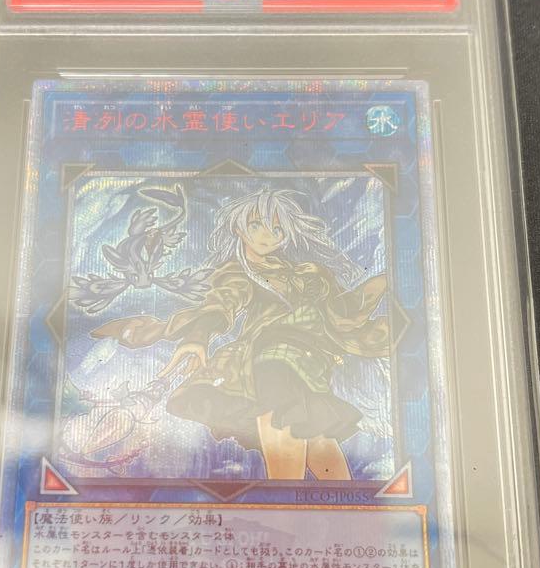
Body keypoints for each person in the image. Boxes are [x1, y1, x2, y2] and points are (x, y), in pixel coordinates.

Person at [91, 188, 391, 480]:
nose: (267, 236)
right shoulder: (241, 272)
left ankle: (344, 504)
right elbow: (223, 301)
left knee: (318, 438)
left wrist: (382, 285)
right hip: (273, 356)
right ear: (238, 227)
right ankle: (284, 501)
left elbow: (339, 313)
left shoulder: (308, 273)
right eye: (256, 225)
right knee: (284, 419)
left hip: (312, 364)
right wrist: (198, 336)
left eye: (277, 229)